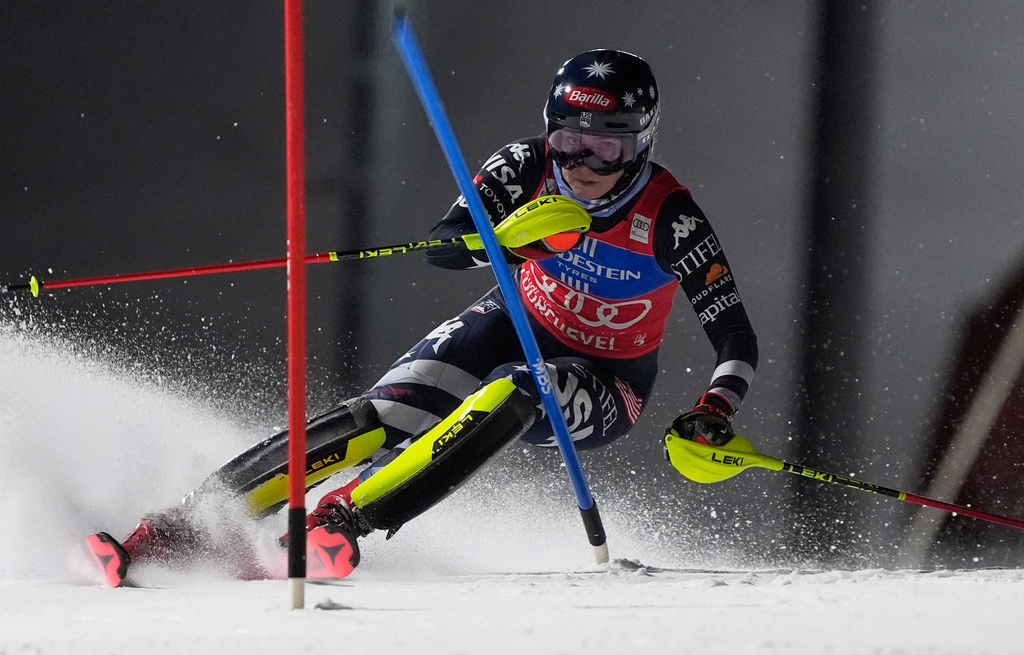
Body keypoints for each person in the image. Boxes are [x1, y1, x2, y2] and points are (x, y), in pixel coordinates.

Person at [86, 49, 758, 587]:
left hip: (608, 379)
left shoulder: (669, 215)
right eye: (568, 143)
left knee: (525, 389)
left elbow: (733, 332)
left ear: (640, 144)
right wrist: (513, 238)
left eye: (604, 150)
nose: (581, 165)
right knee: (377, 418)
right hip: (511, 317)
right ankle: (179, 529)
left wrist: (716, 409)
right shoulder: (526, 165)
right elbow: (444, 245)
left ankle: (342, 520)